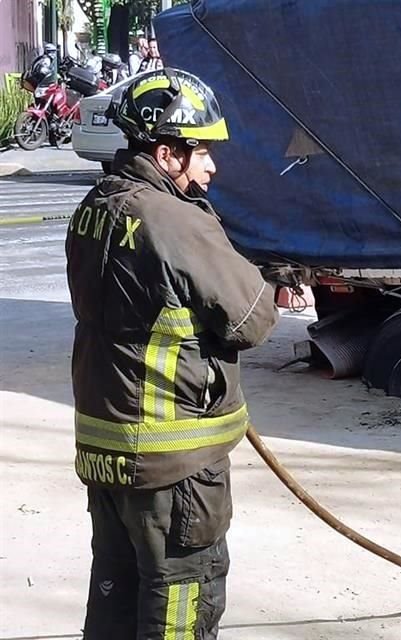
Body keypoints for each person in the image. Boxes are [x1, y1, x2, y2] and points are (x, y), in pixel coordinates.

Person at [66, 68, 279, 639]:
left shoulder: (93, 209)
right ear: (167, 153)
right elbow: (252, 318)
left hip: (107, 458)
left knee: (115, 599)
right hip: (173, 470)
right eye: (202, 152)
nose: (211, 167)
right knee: (180, 604)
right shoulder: (174, 222)